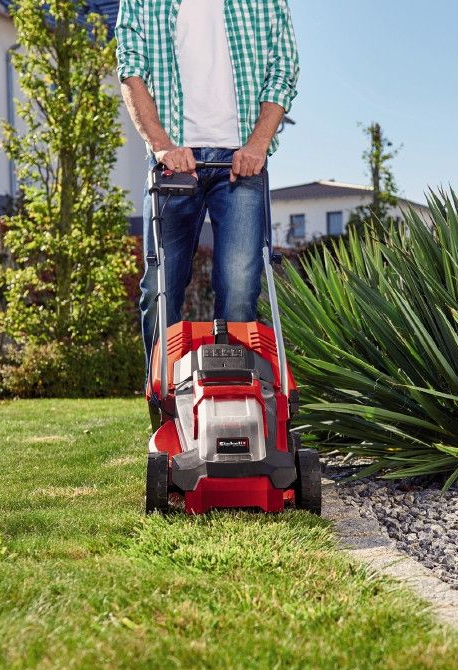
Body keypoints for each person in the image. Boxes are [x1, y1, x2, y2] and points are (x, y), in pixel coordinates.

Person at [115, 0, 299, 401]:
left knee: (239, 289)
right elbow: (130, 69)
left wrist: (258, 144)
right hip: (174, 164)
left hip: (241, 162)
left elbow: (283, 67)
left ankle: (232, 402)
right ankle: (164, 400)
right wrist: (162, 146)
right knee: (159, 288)